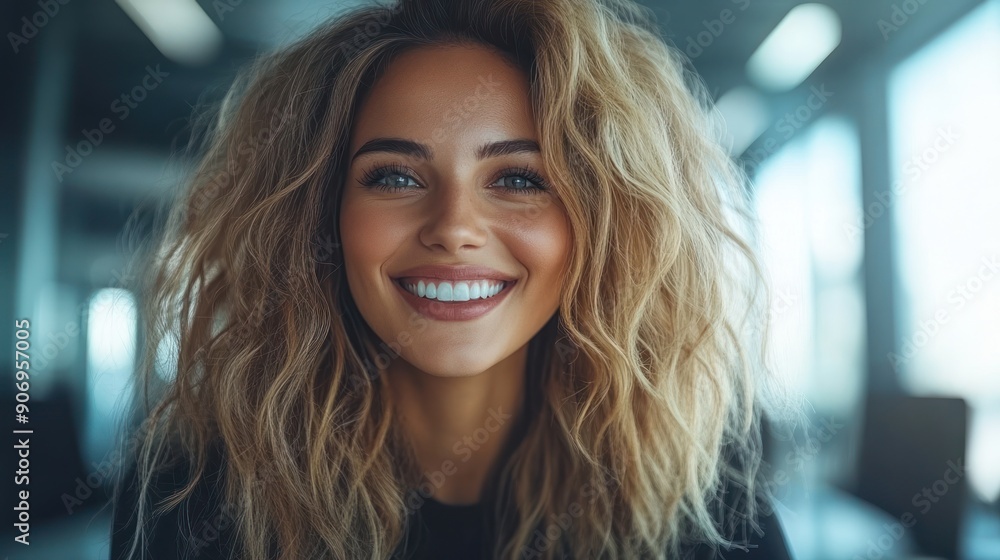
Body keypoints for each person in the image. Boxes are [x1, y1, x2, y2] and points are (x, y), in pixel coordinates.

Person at [109, 0, 801, 558]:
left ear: (603, 222)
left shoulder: (704, 497)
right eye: (395, 176)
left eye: (519, 178)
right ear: (322, 218)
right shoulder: (193, 490)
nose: (454, 226)